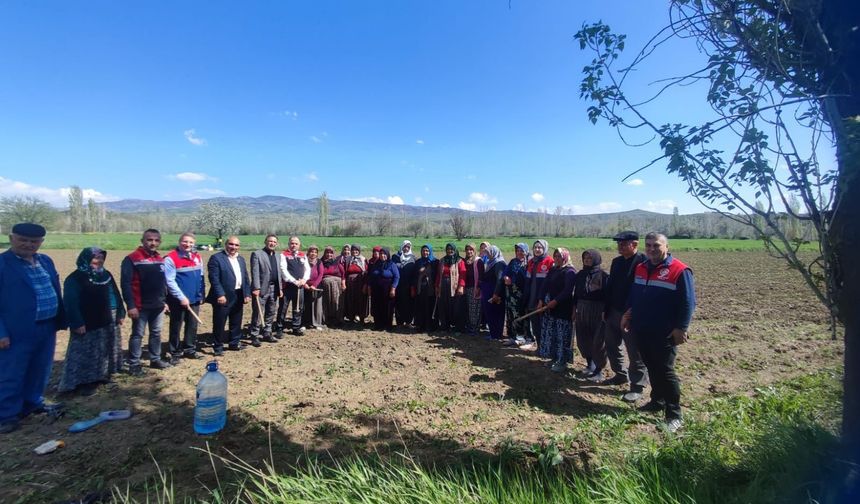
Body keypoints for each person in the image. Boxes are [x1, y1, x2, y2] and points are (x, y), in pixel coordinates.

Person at [622, 232, 696, 433]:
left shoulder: (680, 270)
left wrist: (681, 328)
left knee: (665, 371)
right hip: (642, 327)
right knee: (651, 366)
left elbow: (688, 302)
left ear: (667, 246)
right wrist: (628, 314)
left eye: (656, 245)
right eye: (649, 245)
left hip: (664, 331)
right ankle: (657, 401)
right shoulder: (641, 267)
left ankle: (674, 414)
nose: (652, 249)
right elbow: (635, 295)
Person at [0, 223, 67, 434]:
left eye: (34, 241)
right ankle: (7, 414)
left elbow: (55, 288)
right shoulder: (2, 264)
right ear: (11, 238)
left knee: (40, 368)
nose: (28, 245)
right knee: (11, 371)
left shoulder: (45, 261)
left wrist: (61, 319)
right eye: (23, 240)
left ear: (41, 242)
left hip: (46, 326)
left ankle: (32, 403)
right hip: (16, 329)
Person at [59, 247, 126, 395]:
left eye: (101, 258)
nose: (99, 261)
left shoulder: (105, 275)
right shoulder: (75, 278)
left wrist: (121, 311)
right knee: (85, 351)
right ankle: (82, 383)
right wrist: (76, 322)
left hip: (107, 317)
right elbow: (70, 302)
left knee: (103, 349)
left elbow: (115, 293)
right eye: (95, 258)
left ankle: (99, 376)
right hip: (87, 321)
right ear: (86, 259)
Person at [604, 231, 649, 400]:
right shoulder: (616, 262)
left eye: (624, 244)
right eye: (618, 244)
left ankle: (637, 386)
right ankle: (619, 374)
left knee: (634, 350)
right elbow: (611, 287)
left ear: (635, 244)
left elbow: (643, 290)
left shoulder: (643, 262)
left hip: (631, 314)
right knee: (611, 344)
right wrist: (606, 309)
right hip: (613, 311)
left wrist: (632, 312)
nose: (620, 246)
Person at [121, 229, 169, 373]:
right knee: (137, 335)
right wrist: (131, 306)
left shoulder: (159, 259)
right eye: (149, 239)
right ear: (142, 241)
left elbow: (162, 283)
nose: (153, 243)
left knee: (156, 333)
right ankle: (134, 363)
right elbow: (126, 284)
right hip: (140, 306)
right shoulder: (132, 259)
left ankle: (155, 359)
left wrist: (164, 301)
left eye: (156, 240)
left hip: (158, 305)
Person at [163, 233, 206, 362]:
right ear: (179, 242)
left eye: (191, 242)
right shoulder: (170, 258)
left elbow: (201, 276)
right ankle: (175, 352)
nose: (188, 245)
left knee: (192, 326)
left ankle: (190, 349)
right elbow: (169, 281)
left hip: (194, 298)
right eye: (185, 242)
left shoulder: (197, 257)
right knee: (176, 326)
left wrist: (201, 293)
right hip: (177, 300)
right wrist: (181, 297)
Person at [206, 236, 251, 356]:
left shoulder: (240, 259)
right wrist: (220, 294)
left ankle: (234, 343)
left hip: (238, 294)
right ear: (226, 245)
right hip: (223, 296)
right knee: (220, 322)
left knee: (236, 320)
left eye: (236, 245)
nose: (233, 247)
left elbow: (245, 277)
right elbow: (214, 279)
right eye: (231, 244)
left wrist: (247, 293)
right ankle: (218, 346)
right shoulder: (216, 258)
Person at [537, 248, 577, 370]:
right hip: (550, 308)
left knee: (562, 335)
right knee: (552, 333)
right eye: (555, 256)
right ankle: (554, 358)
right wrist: (540, 300)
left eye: (560, 256)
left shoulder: (570, 271)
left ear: (565, 257)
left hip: (563, 308)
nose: (557, 259)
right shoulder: (553, 269)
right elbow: (545, 285)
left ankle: (562, 361)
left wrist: (555, 301)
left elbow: (567, 290)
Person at [573, 250, 610, 381]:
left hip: (598, 310)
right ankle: (590, 365)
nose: (587, 260)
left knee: (598, 341)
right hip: (582, 308)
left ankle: (599, 370)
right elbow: (576, 294)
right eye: (585, 257)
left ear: (596, 259)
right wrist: (574, 309)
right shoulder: (580, 275)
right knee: (583, 339)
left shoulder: (603, 276)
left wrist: (605, 311)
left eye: (590, 258)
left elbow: (608, 297)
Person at [250, 234, 283, 343]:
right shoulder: (257, 254)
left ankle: (267, 333)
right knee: (258, 312)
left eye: (274, 242)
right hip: (261, 288)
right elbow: (254, 272)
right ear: (265, 242)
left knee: (271, 311)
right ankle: (254, 334)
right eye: (270, 241)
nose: (272, 243)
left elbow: (279, 273)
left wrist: (280, 288)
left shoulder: (278, 256)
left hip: (274, 288)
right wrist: (256, 287)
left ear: (276, 244)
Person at [521, 239, 554, 351]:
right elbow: (527, 282)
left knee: (544, 324)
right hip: (532, 297)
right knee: (535, 325)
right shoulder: (531, 262)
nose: (537, 249)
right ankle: (540, 347)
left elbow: (550, 283)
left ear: (544, 248)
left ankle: (547, 348)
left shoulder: (550, 262)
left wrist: (543, 299)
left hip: (543, 299)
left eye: (540, 247)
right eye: (535, 247)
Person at [279, 236, 310, 336]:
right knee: (283, 307)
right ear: (289, 244)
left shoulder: (302, 255)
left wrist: (304, 280)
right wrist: (293, 281)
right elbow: (283, 270)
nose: (294, 245)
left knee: (298, 307)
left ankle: (296, 327)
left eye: (296, 244)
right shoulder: (283, 255)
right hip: (287, 286)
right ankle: (279, 327)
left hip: (299, 287)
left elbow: (307, 269)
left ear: (299, 245)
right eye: (292, 243)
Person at [501, 243, 529, 346]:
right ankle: (512, 337)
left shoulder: (528, 264)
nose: (519, 253)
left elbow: (526, 278)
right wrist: (505, 278)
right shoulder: (513, 262)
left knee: (520, 315)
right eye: (517, 251)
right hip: (510, 293)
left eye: (522, 250)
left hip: (521, 294)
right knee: (510, 314)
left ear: (526, 251)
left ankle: (521, 337)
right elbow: (505, 272)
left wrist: (512, 280)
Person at [435, 243, 466, 333]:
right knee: (443, 306)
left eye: (451, 249)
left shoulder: (460, 261)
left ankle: (457, 327)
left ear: (455, 250)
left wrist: (461, 286)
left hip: (455, 288)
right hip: (443, 286)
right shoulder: (442, 261)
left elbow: (463, 275)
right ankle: (445, 326)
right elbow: (438, 275)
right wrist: (437, 286)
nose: (450, 251)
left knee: (456, 307)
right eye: (448, 249)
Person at [368, 247, 400, 331]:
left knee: (388, 307)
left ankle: (387, 325)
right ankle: (378, 324)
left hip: (388, 289)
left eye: (384, 254)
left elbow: (397, 277)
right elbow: (371, 276)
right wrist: (370, 287)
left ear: (387, 255)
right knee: (377, 306)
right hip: (376, 289)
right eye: (381, 254)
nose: (382, 255)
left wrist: (393, 288)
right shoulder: (376, 264)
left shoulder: (391, 264)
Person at [482, 245, 507, 341]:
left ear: (494, 253)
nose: (487, 254)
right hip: (489, 291)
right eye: (487, 253)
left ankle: (496, 334)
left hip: (495, 292)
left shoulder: (499, 264)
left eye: (489, 253)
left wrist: (496, 294)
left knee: (496, 313)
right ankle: (493, 333)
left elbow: (499, 280)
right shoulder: (491, 263)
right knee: (490, 313)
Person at [319, 246, 346, 328]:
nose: (329, 254)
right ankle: (328, 319)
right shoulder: (321, 262)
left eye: (331, 253)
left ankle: (338, 319)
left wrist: (343, 283)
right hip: (326, 286)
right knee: (327, 302)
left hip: (337, 286)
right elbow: (319, 274)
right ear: (324, 253)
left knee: (337, 302)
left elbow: (343, 274)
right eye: (327, 252)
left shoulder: (337, 262)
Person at [413, 244, 437, 333]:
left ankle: (430, 326)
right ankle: (421, 326)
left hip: (431, 288)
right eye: (423, 251)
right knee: (421, 307)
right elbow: (415, 275)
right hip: (420, 288)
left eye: (427, 250)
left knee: (430, 307)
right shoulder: (418, 262)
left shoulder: (435, 262)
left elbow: (436, 275)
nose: (425, 252)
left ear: (430, 251)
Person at [392, 240, 416, 327]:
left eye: (408, 247)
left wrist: (413, 287)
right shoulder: (395, 257)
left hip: (408, 285)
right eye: (404, 246)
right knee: (398, 304)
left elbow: (414, 274)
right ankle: (399, 322)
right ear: (401, 246)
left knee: (409, 304)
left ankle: (408, 322)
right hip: (398, 285)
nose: (406, 248)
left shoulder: (413, 258)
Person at [462, 243, 484, 335]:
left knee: (474, 309)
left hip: (474, 288)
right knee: (467, 309)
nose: (469, 251)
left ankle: (475, 329)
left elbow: (482, 276)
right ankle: (470, 327)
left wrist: (478, 287)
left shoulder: (478, 261)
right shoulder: (464, 261)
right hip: (465, 288)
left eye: (471, 249)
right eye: (467, 249)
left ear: (474, 251)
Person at [344, 244, 369, 324]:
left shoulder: (363, 259)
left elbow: (366, 272)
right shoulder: (348, 259)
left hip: (360, 282)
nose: (354, 252)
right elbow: (345, 271)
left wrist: (365, 284)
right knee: (351, 299)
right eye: (353, 250)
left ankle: (361, 317)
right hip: (350, 282)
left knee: (361, 299)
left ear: (359, 251)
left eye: (356, 250)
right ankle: (351, 317)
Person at [302, 245, 325, 330]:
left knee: (317, 306)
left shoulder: (319, 262)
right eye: (312, 251)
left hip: (316, 286)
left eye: (315, 252)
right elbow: (301, 273)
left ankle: (317, 323)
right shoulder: (303, 261)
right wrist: (305, 284)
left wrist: (314, 285)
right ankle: (304, 323)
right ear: (308, 252)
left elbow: (320, 274)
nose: (313, 253)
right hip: (305, 286)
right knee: (305, 305)